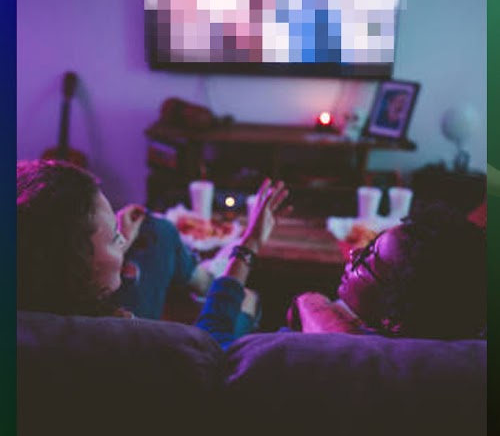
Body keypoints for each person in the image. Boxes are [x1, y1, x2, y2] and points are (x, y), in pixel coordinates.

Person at [17, 159, 287, 347]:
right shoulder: (123, 339)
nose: (122, 239)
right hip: (210, 342)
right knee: (247, 300)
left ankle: (203, 278)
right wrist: (247, 249)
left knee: (156, 228)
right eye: (113, 238)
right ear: (75, 268)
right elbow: (208, 346)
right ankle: (213, 280)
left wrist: (120, 237)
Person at [291, 204, 486, 341]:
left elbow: (305, 306)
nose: (353, 254)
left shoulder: (350, 352)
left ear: (392, 321)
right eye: (368, 246)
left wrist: (311, 303)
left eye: (367, 260)